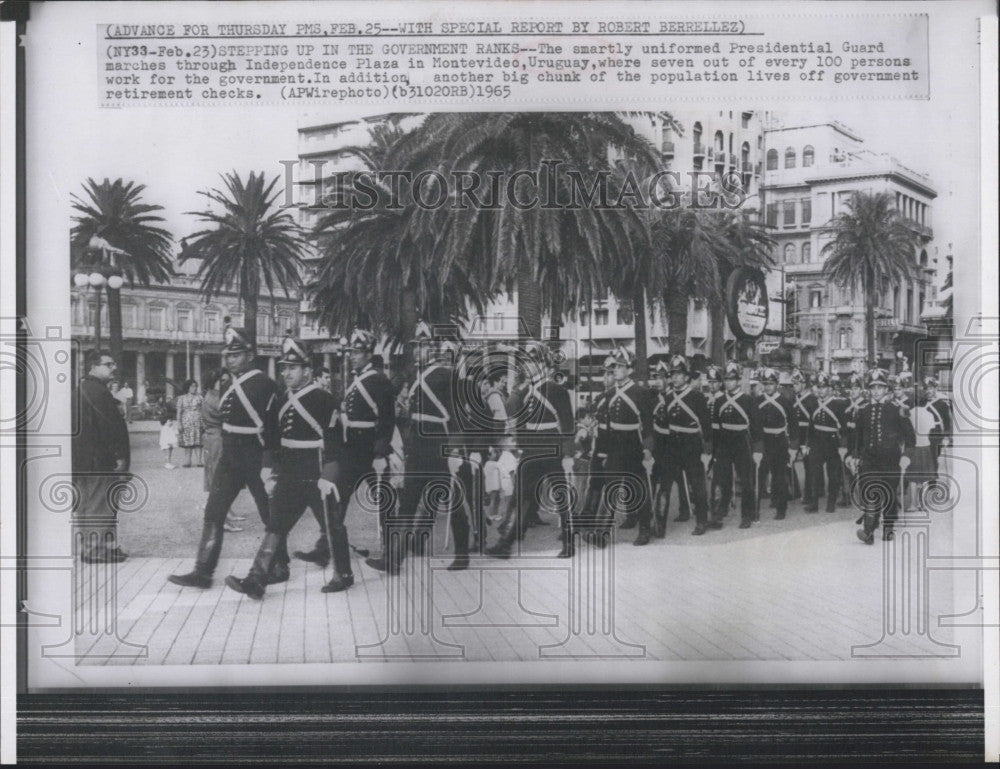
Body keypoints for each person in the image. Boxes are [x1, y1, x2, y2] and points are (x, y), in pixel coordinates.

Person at [226, 337, 339, 600]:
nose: (286, 373)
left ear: (308, 371)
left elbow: (334, 442)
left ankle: (343, 573)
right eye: (283, 368)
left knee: (333, 525)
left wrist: (329, 475)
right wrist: (268, 468)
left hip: (316, 471)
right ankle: (256, 580)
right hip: (289, 473)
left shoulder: (323, 399)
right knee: (276, 525)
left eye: (292, 368)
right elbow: (272, 437)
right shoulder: (280, 399)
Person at [168, 326, 280, 590]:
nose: (230, 359)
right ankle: (203, 572)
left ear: (250, 355)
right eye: (228, 354)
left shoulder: (265, 384)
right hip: (230, 456)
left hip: (254, 454)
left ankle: (279, 566)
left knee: (270, 514)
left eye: (237, 354)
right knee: (214, 512)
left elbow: (273, 428)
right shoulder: (230, 384)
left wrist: (269, 465)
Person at [368, 324, 465, 574]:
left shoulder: (446, 375)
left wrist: (455, 451)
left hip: (440, 446)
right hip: (419, 448)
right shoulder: (413, 377)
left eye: (422, 346)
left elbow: (457, 416)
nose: (417, 351)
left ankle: (462, 554)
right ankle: (394, 559)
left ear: (432, 347)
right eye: (414, 347)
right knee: (407, 503)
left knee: (452, 501)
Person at [487, 341, 575, 558]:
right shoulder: (524, 391)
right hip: (532, 450)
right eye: (525, 361)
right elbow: (519, 423)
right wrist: (521, 448)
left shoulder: (556, 390)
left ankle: (569, 543)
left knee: (561, 496)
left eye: (532, 361)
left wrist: (568, 455)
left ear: (543, 363)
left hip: (552, 446)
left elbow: (568, 424)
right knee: (521, 496)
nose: (527, 365)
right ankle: (506, 543)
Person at [72, 350, 130, 563]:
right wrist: (120, 456)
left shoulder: (81, 390)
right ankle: (95, 551)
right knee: (99, 504)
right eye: (108, 364)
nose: (113, 368)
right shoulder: (98, 392)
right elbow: (110, 429)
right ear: (93, 367)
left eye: (113, 363)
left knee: (89, 504)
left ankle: (105, 548)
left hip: (82, 460)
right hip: (99, 460)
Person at [850, 368, 916, 544]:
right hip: (869, 460)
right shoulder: (863, 410)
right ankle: (868, 532)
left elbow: (911, 438)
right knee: (870, 494)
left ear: (886, 389)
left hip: (891, 460)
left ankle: (888, 527)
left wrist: (906, 456)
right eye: (873, 387)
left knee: (888, 495)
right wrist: (855, 455)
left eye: (880, 387)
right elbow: (857, 437)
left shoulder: (897, 410)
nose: (876, 391)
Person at [602, 349, 655, 545]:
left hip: (634, 446)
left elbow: (648, 426)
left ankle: (644, 529)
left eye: (619, 366)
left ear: (630, 369)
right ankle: (604, 530)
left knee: (638, 488)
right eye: (613, 367)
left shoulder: (641, 393)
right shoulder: (609, 394)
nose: (615, 370)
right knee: (611, 489)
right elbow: (608, 426)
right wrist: (606, 451)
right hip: (615, 447)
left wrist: (648, 450)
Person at [658, 355, 712, 535]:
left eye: (679, 374)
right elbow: (664, 425)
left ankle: (702, 521)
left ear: (687, 377)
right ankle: (659, 524)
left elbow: (706, 426)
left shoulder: (697, 397)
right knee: (664, 485)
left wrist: (707, 451)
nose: (675, 377)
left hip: (692, 445)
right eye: (673, 374)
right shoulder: (666, 397)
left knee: (697, 485)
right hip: (672, 446)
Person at [711, 362, 762, 530]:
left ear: (739, 381)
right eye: (726, 379)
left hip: (742, 442)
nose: (728, 383)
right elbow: (717, 427)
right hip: (724, 443)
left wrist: (757, 450)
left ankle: (747, 515)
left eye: (732, 379)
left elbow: (756, 428)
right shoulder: (720, 401)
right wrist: (714, 450)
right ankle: (720, 513)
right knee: (722, 479)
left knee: (746, 480)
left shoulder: (748, 400)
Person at [201, 369, 245, 533]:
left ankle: (226, 514)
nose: (226, 383)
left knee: (218, 478)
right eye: (223, 381)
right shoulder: (216, 398)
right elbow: (229, 415)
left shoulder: (212, 396)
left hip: (213, 438)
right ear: (216, 382)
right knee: (220, 480)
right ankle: (222, 520)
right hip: (218, 438)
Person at [754, 368, 797, 520]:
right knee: (759, 476)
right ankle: (755, 509)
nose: (768, 387)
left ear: (777, 384)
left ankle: (781, 508)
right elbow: (754, 425)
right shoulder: (758, 401)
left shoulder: (785, 402)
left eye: (771, 384)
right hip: (763, 442)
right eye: (765, 384)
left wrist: (793, 447)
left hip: (780, 442)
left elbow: (793, 425)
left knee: (779, 477)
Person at [803, 373, 847, 514]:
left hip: (832, 442)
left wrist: (843, 446)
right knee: (814, 473)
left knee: (832, 474)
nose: (821, 390)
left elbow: (844, 428)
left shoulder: (838, 404)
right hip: (816, 441)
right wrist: (807, 444)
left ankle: (831, 503)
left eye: (824, 387)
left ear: (829, 389)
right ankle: (814, 503)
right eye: (819, 387)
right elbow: (811, 426)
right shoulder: (813, 403)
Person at [790, 370, 817, 507]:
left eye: (796, 383)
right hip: (795, 435)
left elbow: (813, 420)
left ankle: (809, 495)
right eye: (793, 383)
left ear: (803, 384)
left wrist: (808, 441)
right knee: (789, 462)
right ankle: (794, 491)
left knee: (809, 466)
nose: (794, 386)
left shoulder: (812, 399)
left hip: (806, 435)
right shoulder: (793, 399)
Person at [922, 375, 952, 475]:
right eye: (926, 388)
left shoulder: (942, 404)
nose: (928, 391)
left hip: (936, 434)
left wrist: (946, 437)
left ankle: (933, 480)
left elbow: (947, 422)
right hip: (923, 434)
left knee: (934, 457)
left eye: (930, 388)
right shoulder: (921, 402)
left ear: (935, 388)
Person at [176, 379, 204, 467]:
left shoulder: (200, 398)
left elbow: (204, 410)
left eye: (195, 386)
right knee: (187, 442)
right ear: (187, 387)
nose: (194, 388)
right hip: (186, 423)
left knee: (198, 441)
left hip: (198, 422)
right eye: (192, 386)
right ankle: (187, 461)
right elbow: (179, 412)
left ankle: (199, 461)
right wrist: (179, 423)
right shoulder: (182, 398)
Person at [158, 399, 178, 469]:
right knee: (167, 453)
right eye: (170, 421)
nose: (171, 422)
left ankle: (169, 462)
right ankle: (167, 463)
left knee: (170, 453)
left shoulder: (170, 427)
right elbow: (164, 437)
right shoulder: (165, 429)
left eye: (172, 421)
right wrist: (168, 443)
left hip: (170, 443)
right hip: (167, 443)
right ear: (165, 422)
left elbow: (174, 433)